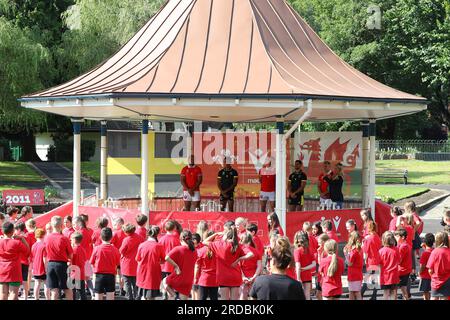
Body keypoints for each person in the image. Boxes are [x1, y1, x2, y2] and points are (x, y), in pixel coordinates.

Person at [203, 222, 254, 300]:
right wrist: (239, 259)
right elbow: (251, 254)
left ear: (226, 236)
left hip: (223, 276)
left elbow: (204, 242)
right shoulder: (238, 245)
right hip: (235, 276)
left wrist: (215, 234)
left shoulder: (219, 244)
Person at [162, 230, 198, 300]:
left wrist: (176, 266)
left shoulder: (178, 249)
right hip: (188, 280)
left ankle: (175, 296)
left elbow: (166, 258)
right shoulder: (194, 251)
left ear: (181, 239)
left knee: (164, 281)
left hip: (178, 277)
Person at [45, 216, 73, 300]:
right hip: (62, 264)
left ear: (52, 225)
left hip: (50, 264)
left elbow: (45, 252)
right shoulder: (64, 238)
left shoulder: (47, 238)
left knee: (54, 290)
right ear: (61, 225)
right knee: (67, 289)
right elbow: (71, 254)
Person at [0, 221, 29, 300]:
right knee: (13, 293)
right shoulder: (16, 243)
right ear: (13, 231)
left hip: (2, 270)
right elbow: (27, 251)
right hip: (14, 270)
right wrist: (22, 239)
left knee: (3, 293)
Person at [90, 227, 120, 300]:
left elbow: (91, 262)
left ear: (100, 237)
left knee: (98, 297)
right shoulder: (115, 250)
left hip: (99, 276)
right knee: (110, 297)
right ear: (111, 237)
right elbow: (117, 263)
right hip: (111, 276)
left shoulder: (96, 249)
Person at [136, 226, 165, 300]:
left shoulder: (141, 245)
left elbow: (137, 259)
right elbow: (163, 260)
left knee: (143, 295)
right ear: (157, 234)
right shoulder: (159, 246)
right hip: (153, 274)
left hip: (142, 273)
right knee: (151, 297)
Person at [119, 223, 144, 300]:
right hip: (137, 264)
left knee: (127, 284)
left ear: (126, 232)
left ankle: (130, 297)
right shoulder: (140, 238)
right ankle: (137, 297)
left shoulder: (126, 240)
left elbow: (121, 251)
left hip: (126, 264)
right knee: (136, 283)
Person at [426, 231, 450, 300]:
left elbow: (430, 269)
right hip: (447, 279)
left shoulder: (435, 252)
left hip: (436, 279)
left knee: (433, 297)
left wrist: (433, 276)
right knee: (444, 297)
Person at [195, 232, 218, 300]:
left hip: (203, 279)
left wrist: (195, 278)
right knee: (214, 298)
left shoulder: (200, 251)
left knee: (202, 298)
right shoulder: (218, 251)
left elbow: (197, 266)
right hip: (215, 279)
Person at [361, 220, 381, 300]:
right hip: (377, 260)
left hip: (370, 261)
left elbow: (365, 251)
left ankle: (361, 293)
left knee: (367, 278)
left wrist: (364, 261)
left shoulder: (368, 239)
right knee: (374, 278)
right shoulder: (377, 237)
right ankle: (374, 295)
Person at [293, 231, 316, 300]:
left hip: (299, 275)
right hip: (308, 275)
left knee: (297, 295)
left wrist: (298, 277)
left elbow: (298, 265)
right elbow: (314, 264)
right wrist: (305, 268)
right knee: (307, 294)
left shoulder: (297, 251)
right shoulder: (309, 249)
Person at [239, 233, 262, 300]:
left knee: (243, 295)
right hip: (253, 277)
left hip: (243, 277)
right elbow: (259, 266)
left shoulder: (240, 251)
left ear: (241, 240)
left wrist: (243, 277)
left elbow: (238, 266)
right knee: (253, 297)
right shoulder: (256, 251)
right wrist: (254, 276)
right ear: (250, 240)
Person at [159, 220, 181, 289]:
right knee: (170, 282)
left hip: (163, 264)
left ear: (165, 229)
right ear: (174, 228)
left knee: (163, 281)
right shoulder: (177, 240)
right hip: (172, 264)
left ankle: (164, 294)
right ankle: (169, 294)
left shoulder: (161, 239)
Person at [378, 231, 400, 300]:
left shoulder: (381, 251)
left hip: (385, 276)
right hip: (394, 275)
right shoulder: (396, 249)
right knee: (393, 292)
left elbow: (379, 264)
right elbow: (399, 261)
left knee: (386, 293)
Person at [14, 222, 31, 300]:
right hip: (25, 261)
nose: (14, 231)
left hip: (18, 261)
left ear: (19, 229)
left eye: (15, 229)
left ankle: (16, 295)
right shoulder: (28, 236)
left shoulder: (16, 237)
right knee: (25, 280)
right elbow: (29, 248)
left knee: (16, 280)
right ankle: (26, 297)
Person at [344, 231, 363, 300]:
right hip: (355, 274)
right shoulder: (357, 249)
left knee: (356, 293)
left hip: (354, 275)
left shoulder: (354, 251)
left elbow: (350, 263)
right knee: (352, 292)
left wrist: (346, 254)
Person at [30, 228, 49, 300]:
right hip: (43, 268)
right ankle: (48, 298)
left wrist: (31, 268)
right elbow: (45, 259)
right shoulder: (44, 245)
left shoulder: (33, 245)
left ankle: (36, 298)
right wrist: (46, 269)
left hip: (36, 267)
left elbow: (31, 258)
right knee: (46, 284)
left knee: (37, 284)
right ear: (43, 235)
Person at [395, 228, 412, 300]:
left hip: (402, 270)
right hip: (405, 269)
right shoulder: (404, 245)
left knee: (396, 288)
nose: (395, 237)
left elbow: (399, 260)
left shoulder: (403, 247)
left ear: (402, 237)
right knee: (403, 287)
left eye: (397, 236)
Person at [70, 232, 87, 300]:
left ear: (74, 239)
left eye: (71, 239)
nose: (70, 240)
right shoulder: (83, 249)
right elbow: (85, 260)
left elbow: (70, 261)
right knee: (82, 292)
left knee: (72, 293)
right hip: (81, 273)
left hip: (74, 273)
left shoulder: (73, 250)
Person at [111, 217, 126, 296]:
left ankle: (113, 289)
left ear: (121, 224)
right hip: (123, 257)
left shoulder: (115, 233)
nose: (114, 225)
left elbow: (111, 244)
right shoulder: (127, 232)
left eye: (115, 224)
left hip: (115, 256)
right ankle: (121, 289)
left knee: (114, 273)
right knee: (121, 274)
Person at [419, 233, 434, 300]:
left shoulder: (425, 253)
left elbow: (422, 265)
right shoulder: (434, 251)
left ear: (424, 242)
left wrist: (419, 272)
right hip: (432, 274)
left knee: (425, 292)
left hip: (425, 275)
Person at [315, 233, 329, 300]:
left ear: (324, 242)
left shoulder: (326, 252)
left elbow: (321, 264)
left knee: (322, 294)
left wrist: (319, 254)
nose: (318, 244)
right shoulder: (321, 250)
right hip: (320, 275)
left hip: (324, 275)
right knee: (318, 294)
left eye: (319, 242)